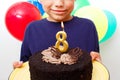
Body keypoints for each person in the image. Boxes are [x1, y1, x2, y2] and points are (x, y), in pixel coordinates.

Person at [13, 0, 101, 68]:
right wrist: (19, 68)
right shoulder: (32, 29)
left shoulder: (88, 27)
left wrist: (97, 63)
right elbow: (25, 65)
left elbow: (93, 63)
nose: (59, 3)